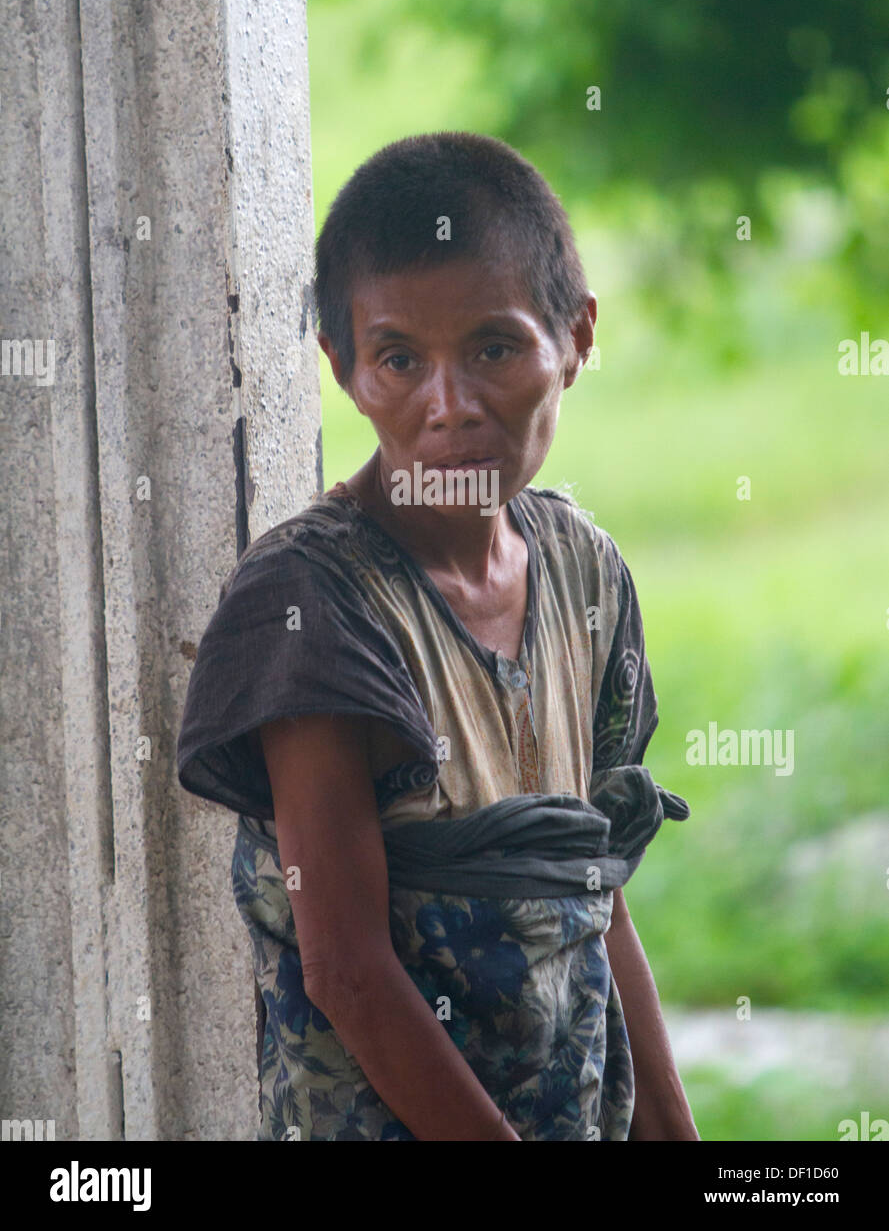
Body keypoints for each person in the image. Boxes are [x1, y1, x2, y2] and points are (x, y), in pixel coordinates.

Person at [177, 130, 698, 1141]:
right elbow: (349, 971)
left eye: (494, 349)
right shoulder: (313, 604)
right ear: (341, 364)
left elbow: (594, 887)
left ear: (578, 338)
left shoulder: (583, 571)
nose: (446, 408)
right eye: (398, 359)